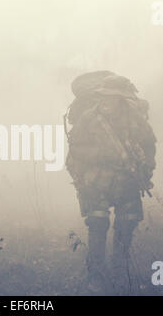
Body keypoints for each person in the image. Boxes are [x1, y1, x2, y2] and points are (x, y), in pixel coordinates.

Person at [65, 72, 156, 293]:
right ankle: (96, 275)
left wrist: (146, 170)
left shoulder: (135, 118)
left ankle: (120, 271)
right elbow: (75, 150)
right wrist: (96, 161)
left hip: (127, 182)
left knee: (126, 225)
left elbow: (149, 145)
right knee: (97, 224)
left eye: (112, 97)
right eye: (104, 96)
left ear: (121, 99)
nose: (107, 101)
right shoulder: (89, 118)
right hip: (96, 181)